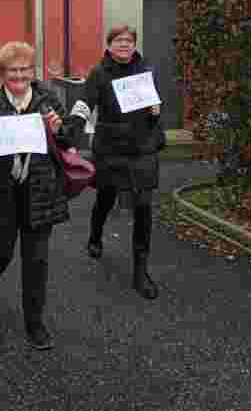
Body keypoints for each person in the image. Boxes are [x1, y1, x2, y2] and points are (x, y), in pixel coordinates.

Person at [0, 41, 78, 350]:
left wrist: (60, 128)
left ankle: (34, 323)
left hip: (40, 192)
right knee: (0, 253)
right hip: (1, 193)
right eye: (13, 71)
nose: (20, 76)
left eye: (25, 70)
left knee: (36, 261)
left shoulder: (48, 100)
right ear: (2, 73)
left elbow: (70, 139)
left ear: (32, 71)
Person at [69, 25, 165, 300]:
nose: (124, 44)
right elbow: (85, 103)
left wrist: (155, 110)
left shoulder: (146, 71)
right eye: (119, 40)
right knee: (105, 197)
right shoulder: (100, 74)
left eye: (129, 40)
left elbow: (155, 106)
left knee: (144, 206)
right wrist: (73, 127)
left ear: (135, 44)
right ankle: (95, 235)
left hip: (142, 146)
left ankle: (140, 271)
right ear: (109, 45)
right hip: (111, 148)